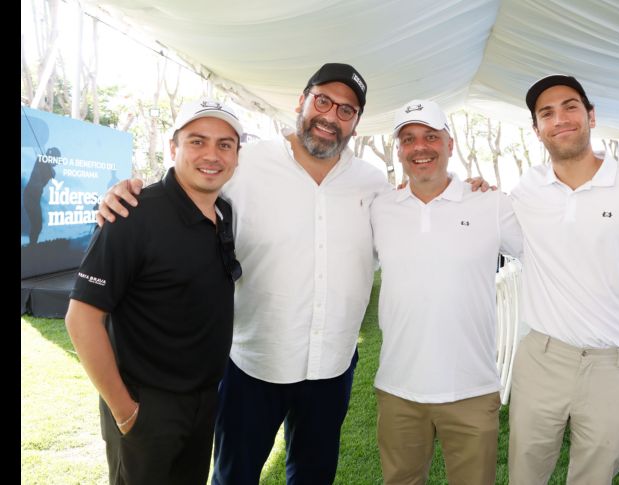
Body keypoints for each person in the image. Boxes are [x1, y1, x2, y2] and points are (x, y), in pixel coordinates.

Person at [95, 65, 490, 484]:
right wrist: (130, 193)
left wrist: (468, 189)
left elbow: (419, 206)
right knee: (234, 475)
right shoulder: (246, 164)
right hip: (254, 364)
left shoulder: (372, 184)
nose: (330, 116)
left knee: (314, 475)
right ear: (301, 102)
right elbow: (186, 189)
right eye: (323, 101)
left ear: (355, 124)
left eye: (346, 110)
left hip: (332, 368)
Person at [507, 75, 619, 485]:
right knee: (525, 475)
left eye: (570, 106)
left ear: (591, 115)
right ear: (537, 130)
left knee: (594, 479)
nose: (560, 119)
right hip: (542, 359)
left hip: (614, 366)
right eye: (546, 113)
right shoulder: (526, 190)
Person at [64, 99, 243, 485]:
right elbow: (81, 318)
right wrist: (125, 410)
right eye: (197, 141)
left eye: (225, 144)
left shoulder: (224, 212)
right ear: (173, 148)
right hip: (147, 406)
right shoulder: (130, 214)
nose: (212, 155)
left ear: (236, 156)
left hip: (204, 398)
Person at [371, 100, 522, 485]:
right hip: (399, 388)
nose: (420, 147)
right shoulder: (381, 208)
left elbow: (547, 255)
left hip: (471, 387)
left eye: (430, 137)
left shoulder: (490, 203)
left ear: (450, 144)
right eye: (408, 139)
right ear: (399, 150)